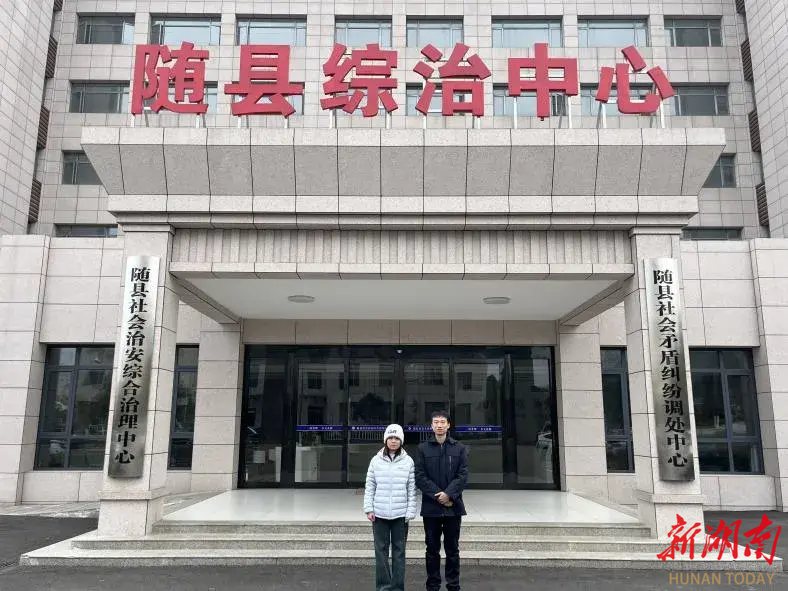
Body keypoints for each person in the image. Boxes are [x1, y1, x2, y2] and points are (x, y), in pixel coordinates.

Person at [414, 410, 468, 591]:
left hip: (453, 507)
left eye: (442, 422)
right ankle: (433, 585)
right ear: (431, 426)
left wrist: (449, 494)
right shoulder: (423, 449)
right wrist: (438, 495)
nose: (439, 425)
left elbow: (462, 476)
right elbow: (419, 476)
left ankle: (453, 585)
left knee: (452, 550)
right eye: (436, 422)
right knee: (432, 549)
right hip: (431, 508)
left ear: (448, 425)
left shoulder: (459, 448)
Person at [364, 423, 417, 591]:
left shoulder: (408, 461)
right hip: (379, 515)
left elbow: (411, 489)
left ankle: (397, 587)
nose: (393, 441)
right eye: (390, 438)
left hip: (400, 515)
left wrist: (410, 511)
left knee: (399, 553)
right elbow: (370, 486)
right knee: (380, 552)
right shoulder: (375, 460)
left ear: (401, 441)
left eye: (397, 438)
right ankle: (383, 587)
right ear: (385, 440)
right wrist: (369, 509)